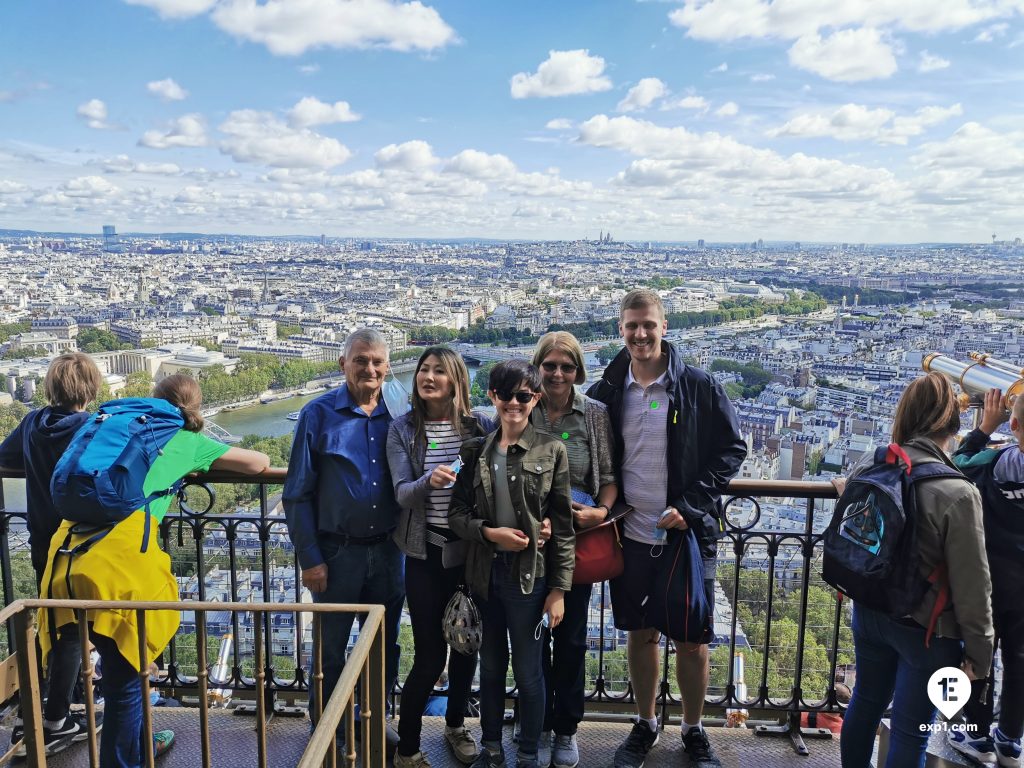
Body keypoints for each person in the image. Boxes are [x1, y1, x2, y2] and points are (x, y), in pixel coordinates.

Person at [39, 373, 270, 767]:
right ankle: (123, 761)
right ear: (194, 407)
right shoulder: (186, 440)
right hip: (119, 571)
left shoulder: (111, 425)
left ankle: (137, 747)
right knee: (125, 681)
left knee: (106, 664)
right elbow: (258, 462)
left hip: (65, 559)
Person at [587, 289, 746, 768]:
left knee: (693, 638)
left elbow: (731, 449)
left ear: (663, 326)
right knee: (640, 632)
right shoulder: (607, 393)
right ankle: (646, 722)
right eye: (631, 326)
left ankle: (693, 728)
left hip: (688, 535)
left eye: (647, 325)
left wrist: (691, 506)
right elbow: (579, 443)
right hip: (630, 532)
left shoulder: (697, 385)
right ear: (621, 329)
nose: (639, 335)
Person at [839, 373, 994, 768]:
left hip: (870, 610)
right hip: (928, 630)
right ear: (953, 422)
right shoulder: (958, 493)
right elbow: (973, 586)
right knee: (911, 732)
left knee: (865, 703)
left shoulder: (875, 462)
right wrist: (979, 654)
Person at [282, 328, 404, 753]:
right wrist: (310, 558)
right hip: (336, 552)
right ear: (343, 365)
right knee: (331, 648)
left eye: (376, 362)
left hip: (390, 550)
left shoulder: (401, 413)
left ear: (387, 367)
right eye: (361, 361)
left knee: (384, 645)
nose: (369, 369)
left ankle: (374, 718)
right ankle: (328, 726)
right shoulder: (317, 415)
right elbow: (296, 492)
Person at [449, 359, 575, 768]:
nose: (514, 403)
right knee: (491, 668)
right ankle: (492, 747)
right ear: (493, 397)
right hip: (488, 573)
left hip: (530, 576)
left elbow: (564, 526)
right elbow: (456, 515)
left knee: (528, 670)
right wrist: (490, 533)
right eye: (506, 395)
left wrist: (558, 590)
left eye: (523, 395)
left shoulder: (552, 449)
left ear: (536, 398)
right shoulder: (476, 452)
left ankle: (526, 753)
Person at [387, 346, 494, 767]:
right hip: (426, 554)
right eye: (423, 370)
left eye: (439, 371)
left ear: (456, 380)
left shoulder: (480, 426)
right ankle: (409, 748)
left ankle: (455, 724)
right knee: (430, 654)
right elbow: (402, 493)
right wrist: (429, 481)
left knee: (468, 646)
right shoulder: (403, 429)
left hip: (471, 554)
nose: (428, 377)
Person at [0, 353, 102, 756]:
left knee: (52, 623)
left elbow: (4, 458)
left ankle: (39, 709)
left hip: (44, 540)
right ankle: (57, 718)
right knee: (76, 627)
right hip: (83, 541)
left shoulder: (31, 424)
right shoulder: (93, 428)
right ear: (90, 388)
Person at [529, 332, 617, 768]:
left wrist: (601, 511)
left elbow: (610, 475)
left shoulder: (595, 414)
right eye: (550, 365)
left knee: (571, 639)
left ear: (578, 371)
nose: (558, 374)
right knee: (530, 639)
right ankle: (539, 720)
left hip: (574, 543)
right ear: (538, 367)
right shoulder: (522, 406)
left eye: (566, 366)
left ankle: (564, 727)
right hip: (527, 542)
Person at [948, 387, 1024, 767]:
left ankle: (976, 734)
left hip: (992, 579)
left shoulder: (993, 463)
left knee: (979, 651)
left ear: (1013, 424)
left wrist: (983, 428)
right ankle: (1011, 739)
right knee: (1021, 659)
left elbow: (955, 464)